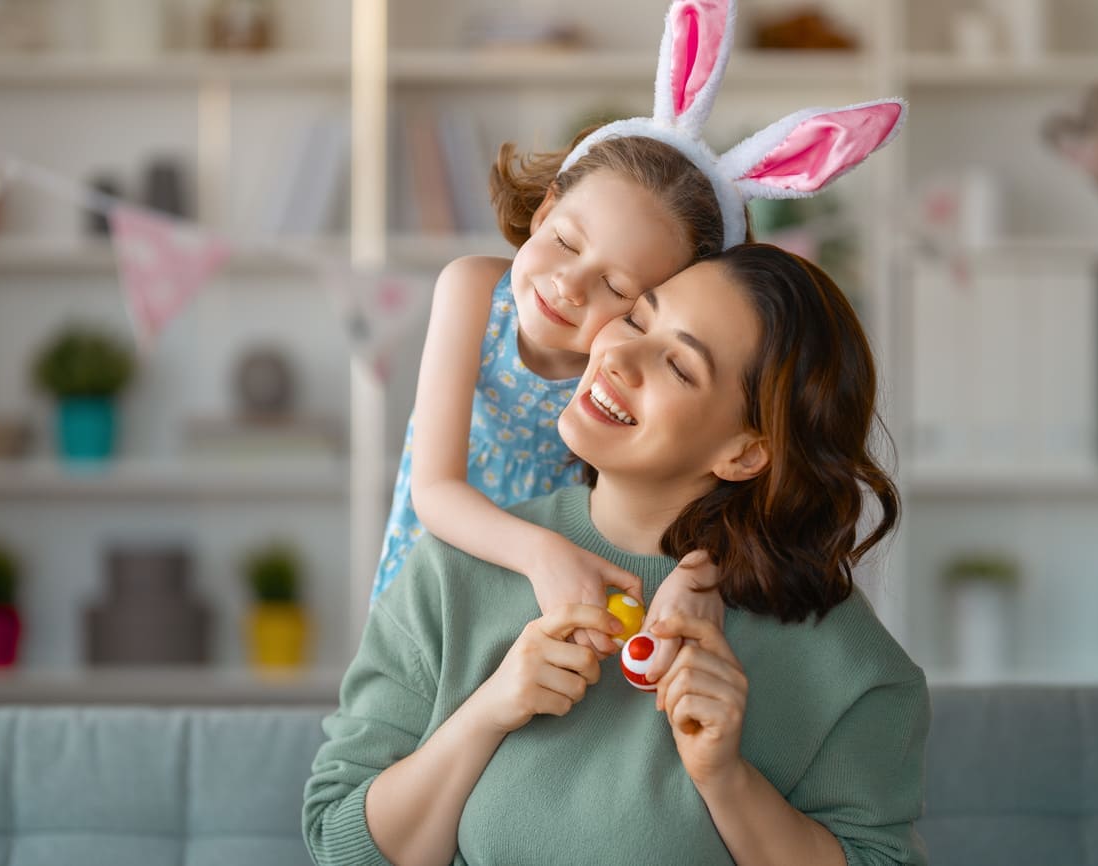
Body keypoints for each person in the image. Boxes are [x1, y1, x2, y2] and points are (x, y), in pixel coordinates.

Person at [304, 244, 930, 866]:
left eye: (679, 367)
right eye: (635, 318)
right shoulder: (453, 571)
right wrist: (488, 712)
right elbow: (338, 843)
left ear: (744, 452)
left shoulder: (848, 664)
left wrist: (726, 780)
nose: (618, 356)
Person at [371, 0, 907, 670]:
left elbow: (694, 489)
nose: (570, 287)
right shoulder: (475, 289)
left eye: (621, 292)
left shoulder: (630, 370)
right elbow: (436, 492)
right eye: (565, 240)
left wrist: (700, 579)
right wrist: (545, 555)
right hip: (447, 570)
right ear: (545, 209)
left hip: (569, 600)